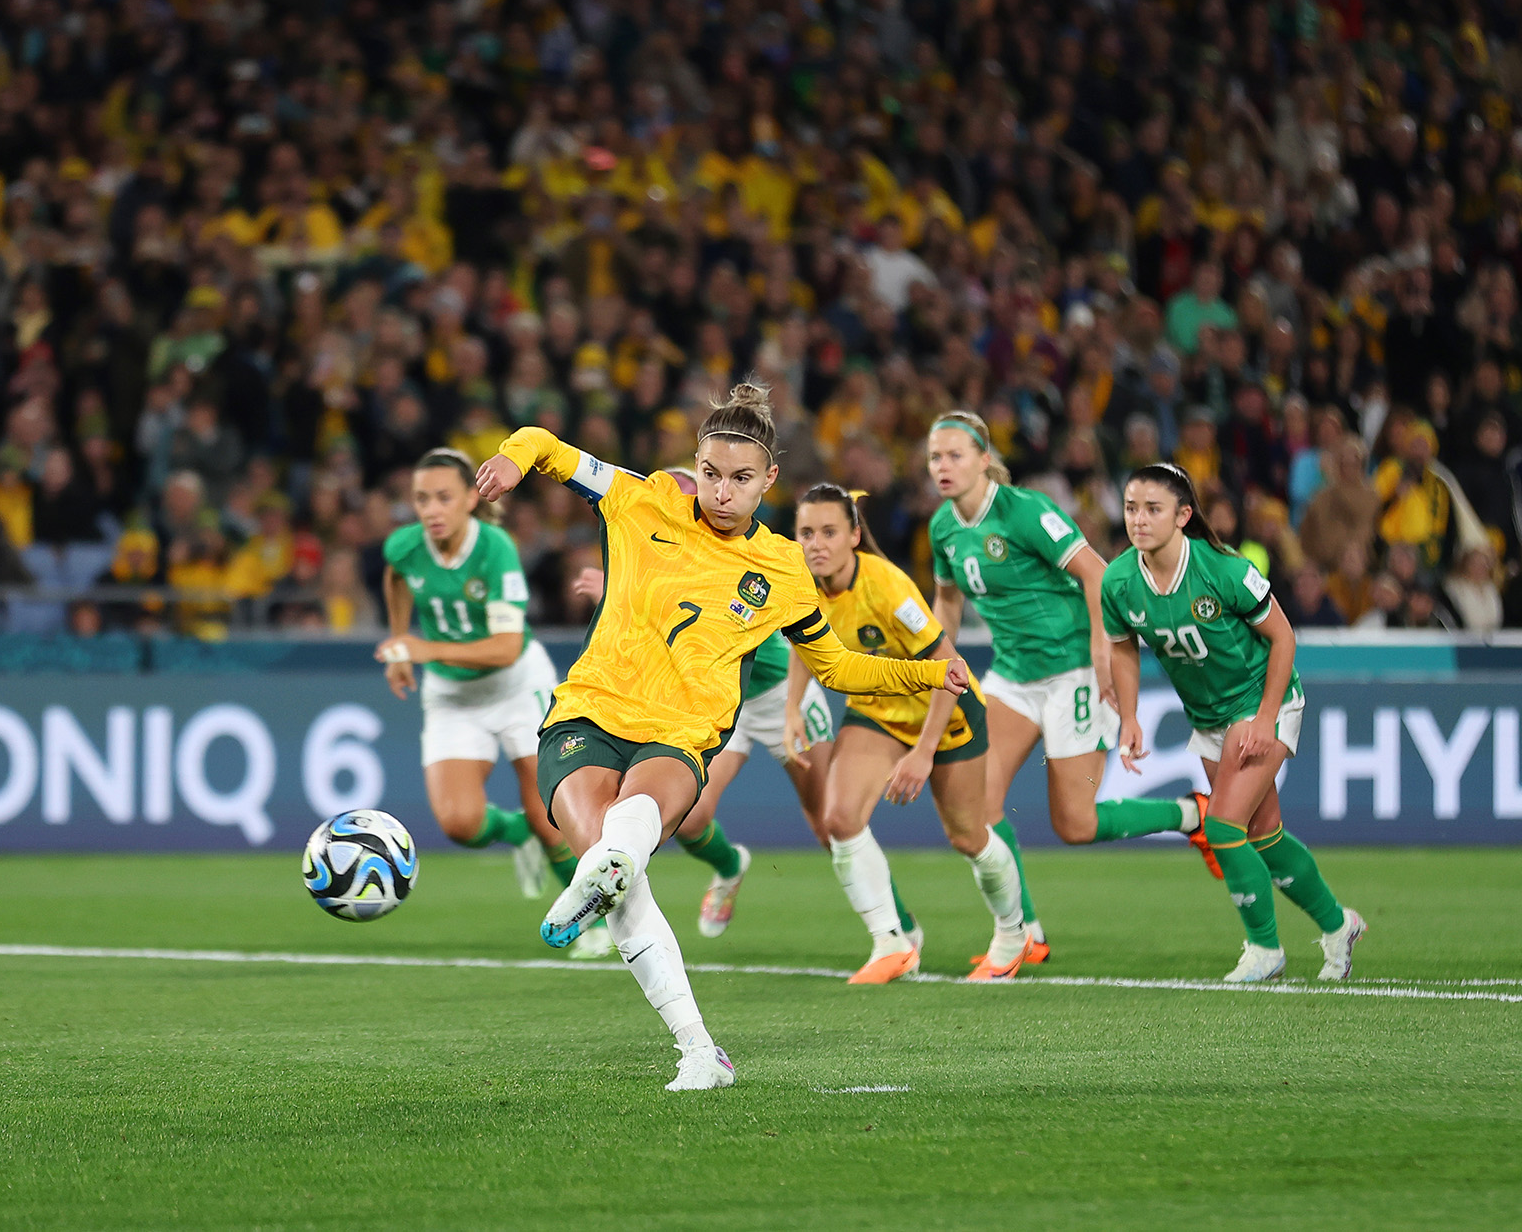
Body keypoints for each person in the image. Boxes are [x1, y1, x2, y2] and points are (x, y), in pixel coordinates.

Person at [475, 383, 969, 1090]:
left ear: (769, 480)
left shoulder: (784, 569)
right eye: (710, 473)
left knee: (622, 849)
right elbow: (546, 443)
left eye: (741, 479)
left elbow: (833, 664)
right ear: (694, 464)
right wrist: (513, 461)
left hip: (680, 733)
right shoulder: (639, 498)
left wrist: (919, 676)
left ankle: (691, 1034)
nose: (722, 492)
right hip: (586, 714)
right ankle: (698, 1042)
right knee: (614, 868)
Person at [926, 410, 1216, 965]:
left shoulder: (1025, 511)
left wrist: (1100, 655)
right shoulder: (943, 527)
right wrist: (940, 655)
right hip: (1012, 676)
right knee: (977, 810)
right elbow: (948, 601)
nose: (943, 466)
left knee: (1075, 824)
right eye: (936, 457)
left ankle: (1192, 815)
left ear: (985, 459)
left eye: (955, 454)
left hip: (1072, 674)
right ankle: (1023, 932)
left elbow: (1097, 572)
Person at [1108, 464, 1366, 981]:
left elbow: (1284, 636)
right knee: (1263, 834)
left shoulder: (1221, 570)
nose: (1139, 519)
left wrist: (1265, 719)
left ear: (1183, 515)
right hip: (1208, 718)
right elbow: (1122, 646)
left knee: (1223, 827)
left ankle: (1264, 949)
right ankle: (1339, 925)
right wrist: (1130, 716)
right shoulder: (1118, 580)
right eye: (1131, 507)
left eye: (1152, 509)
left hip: (1263, 701)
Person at [568, 467, 839, 942]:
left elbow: (800, 635)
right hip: (718, 706)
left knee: (832, 821)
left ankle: (894, 927)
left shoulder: (743, 555)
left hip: (781, 697)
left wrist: (795, 705)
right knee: (690, 820)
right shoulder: (659, 558)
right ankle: (732, 868)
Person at [792, 483, 1031, 982]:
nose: (816, 543)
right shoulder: (802, 584)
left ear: (854, 535)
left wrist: (923, 753)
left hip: (947, 712)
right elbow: (804, 643)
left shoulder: (888, 588)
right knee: (838, 818)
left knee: (968, 838)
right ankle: (892, 942)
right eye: (806, 532)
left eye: (829, 532)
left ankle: (1013, 936)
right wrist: (793, 707)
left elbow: (952, 668)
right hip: (878, 710)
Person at [374, 449, 605, 957]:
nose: (431, 510)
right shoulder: (405, 546)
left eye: (443, 498)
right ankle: (527, 835)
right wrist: (398, 645)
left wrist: (421, 648)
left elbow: (503, 648)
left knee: (552, 812)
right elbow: (395, 576)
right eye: (421, 499)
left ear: (470, 500)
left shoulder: (495, 548)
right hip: (453, 697)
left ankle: (592, 920)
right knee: (461, 824)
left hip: (517, 687)